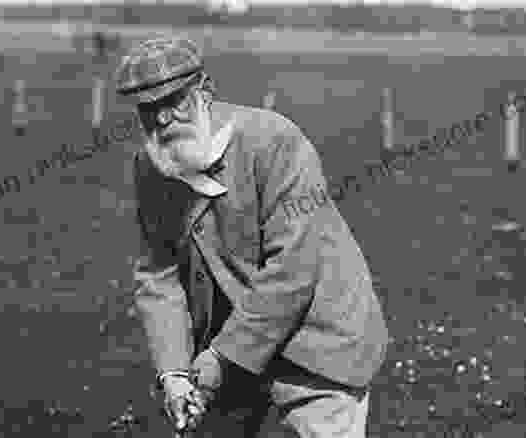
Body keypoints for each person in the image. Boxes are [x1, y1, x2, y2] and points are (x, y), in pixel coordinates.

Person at [116, 36, 389, 438]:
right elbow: (160, 274)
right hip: (227, 344)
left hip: (314, 341)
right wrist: (174, 373)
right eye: (149, 108)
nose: (161, 120)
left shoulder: (275, 141)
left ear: (205, 90)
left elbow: (292, 271)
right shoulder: (151, 166)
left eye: (174, 101)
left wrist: (219, 360)